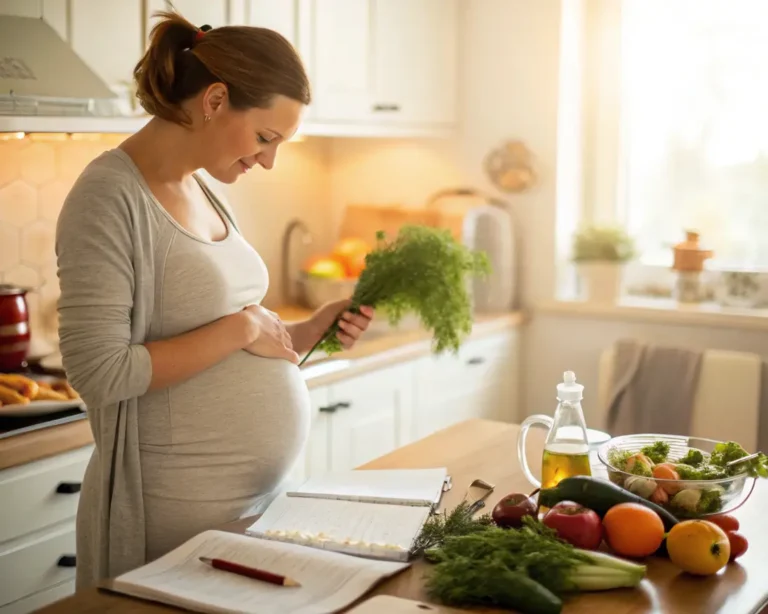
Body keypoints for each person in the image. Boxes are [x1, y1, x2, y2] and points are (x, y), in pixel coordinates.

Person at [55, 12, 374, 589]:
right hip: (175, 512)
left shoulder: (202, 185)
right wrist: (243, 329)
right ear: (216, 99)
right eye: (265, 137)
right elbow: (99, 372)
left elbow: (234, 334)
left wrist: (306, 332)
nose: (269, 160)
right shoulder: (108, 196)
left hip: (255, 503)